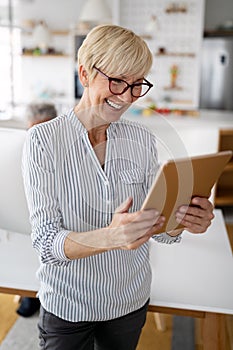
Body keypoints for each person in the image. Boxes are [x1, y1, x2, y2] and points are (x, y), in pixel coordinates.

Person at [22, 25, 214, 350]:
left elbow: (156, 226)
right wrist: (110, 237)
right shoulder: (44, 140)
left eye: (137, 85)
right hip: (69, 305)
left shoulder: (141, 140)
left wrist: (183, 220)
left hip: (129, 301)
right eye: (117, 82)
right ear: (84, 73)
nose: (126, 97)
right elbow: (44, 244)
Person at [16, 102, 57, 318]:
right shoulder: (20, 147)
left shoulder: (65, 149)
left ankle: (36, 295)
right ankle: (29, 293)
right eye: (33, 129)